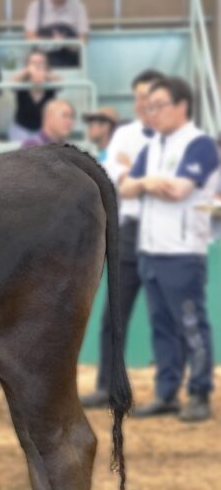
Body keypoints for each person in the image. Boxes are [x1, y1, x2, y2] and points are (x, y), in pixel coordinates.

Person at [120, 77, 217, 422]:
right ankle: (166, 393)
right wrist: (148, 183)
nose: (152, 112)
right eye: (149, 106)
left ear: (181, 106)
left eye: (159, 105)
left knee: (190, 323)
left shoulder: (199, 145)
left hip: (182, 251)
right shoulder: (153, 147)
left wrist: (146, 185)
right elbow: (126, 187)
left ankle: (200, 392)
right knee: (161, 325)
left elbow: (178, 190)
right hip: (150, 249)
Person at [80, 69, 165, 410]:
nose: (142, 103)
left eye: (149, 97)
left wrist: (137, 175)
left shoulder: (173, 136)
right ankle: (107, 386)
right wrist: (146, 179)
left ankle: (167, 390)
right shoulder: (126, 134)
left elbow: (143, 179)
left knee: (165, 317)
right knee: (112, 317)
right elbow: (112, 178)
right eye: (138, 97)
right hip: (128, 232)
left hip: (162, 233)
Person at [24, 0, 89, 67]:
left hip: (71, 64)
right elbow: (30, 37)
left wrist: (66, 43)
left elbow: (84, 39)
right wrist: (51, 43)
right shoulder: (36, 6)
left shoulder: (78, 7)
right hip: (42, 66)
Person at [9, 49, 60, 142]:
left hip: (44, 131)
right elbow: (12, 84)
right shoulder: (21, 81)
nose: (37, 66)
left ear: (47, 65)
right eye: (33, 63)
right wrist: (28, 72)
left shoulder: (51, 82)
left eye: (41, 62)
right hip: (21, 128)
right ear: (27, 65)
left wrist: (44, 75)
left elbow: (60, 82)